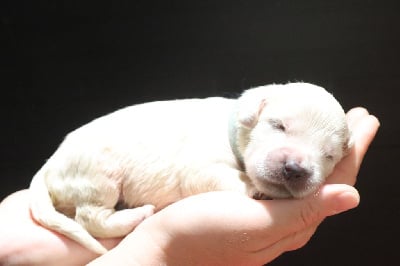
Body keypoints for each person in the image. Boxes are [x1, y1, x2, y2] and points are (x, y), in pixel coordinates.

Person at [0, 107, 379, 266]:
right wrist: (159, 251)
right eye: (280, 128)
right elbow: (204, 178)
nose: (298, 163)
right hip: (87, 166)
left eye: (327, 156)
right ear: (254, 112)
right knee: (99, 167)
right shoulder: (217, 135)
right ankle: (95, 216)